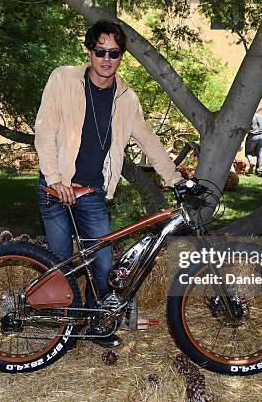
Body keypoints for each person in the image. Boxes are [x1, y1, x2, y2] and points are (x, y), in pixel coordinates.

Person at [34, 21, 182, 347]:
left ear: (121, 56)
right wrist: (56, 179)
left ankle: (98, 325)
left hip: (91, 192)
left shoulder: (126, 98)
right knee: (63, 264)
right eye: (100, 51)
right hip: (55, 186)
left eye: (113, 52)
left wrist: (174, 179)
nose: (106, 58)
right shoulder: (63, 79)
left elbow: (148, 140)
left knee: (102, 265)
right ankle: (66, 332)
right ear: (89, 51)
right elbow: (44, 130)